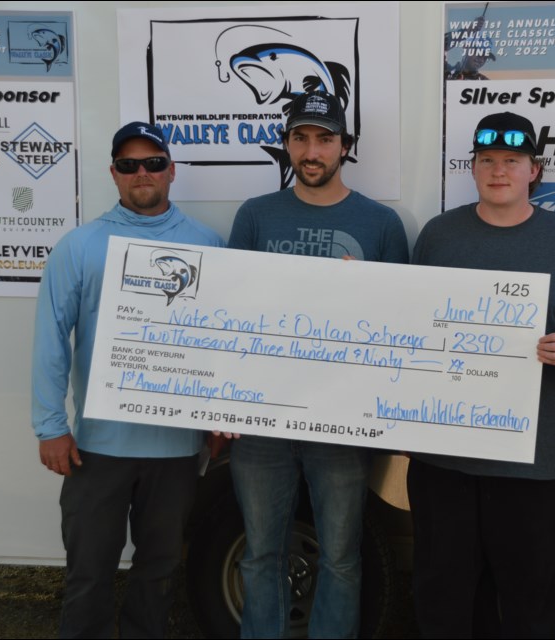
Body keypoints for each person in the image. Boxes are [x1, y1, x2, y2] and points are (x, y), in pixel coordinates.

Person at [408, 111, 555, 638]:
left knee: (530, 604)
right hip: (444, 458)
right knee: (444, 599)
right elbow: (405, 321)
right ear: (472, 168)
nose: (497, 170)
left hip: (533, 464)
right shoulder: (438, 236)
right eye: (486, 160)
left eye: (512, 160)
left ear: (534, 170)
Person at [225, 90, 409, 639]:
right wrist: (223, 399)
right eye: (300, 137)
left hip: (342, 423)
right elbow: (228, 317)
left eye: (324, 139)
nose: (312, 150)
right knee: (260, 554)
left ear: (344, 147)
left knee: (342, 557)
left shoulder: (380, 223)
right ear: (285, 145)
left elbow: (400, 327)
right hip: (260, 421)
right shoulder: (255, 216)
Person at [31, 122, 224, 638]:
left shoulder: (209, 244)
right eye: (129, 164)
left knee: (158, 574)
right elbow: (51, 337)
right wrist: (50, 425)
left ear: (172, 170)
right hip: (97, 448)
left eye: (154, 163)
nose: (143, 173)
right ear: (113, 174)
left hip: (177, 450)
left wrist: (222, 419)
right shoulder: (80, 246)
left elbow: (224, 344)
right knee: (89, 574)